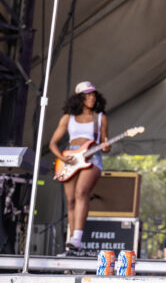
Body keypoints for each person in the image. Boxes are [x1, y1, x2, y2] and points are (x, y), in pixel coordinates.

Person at [48, 81, 109, 251]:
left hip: (92, 157)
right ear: (79, 98)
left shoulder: (100, 118)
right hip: (71, 159)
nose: (92, 97)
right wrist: (62, 157)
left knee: (81, 192)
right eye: (88, 95)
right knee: (71, 200)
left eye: (93, 94)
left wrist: (106, 147)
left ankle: (77, 238)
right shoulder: (68, 118)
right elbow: (53, 143)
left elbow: (104, 143)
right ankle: (72, 242)